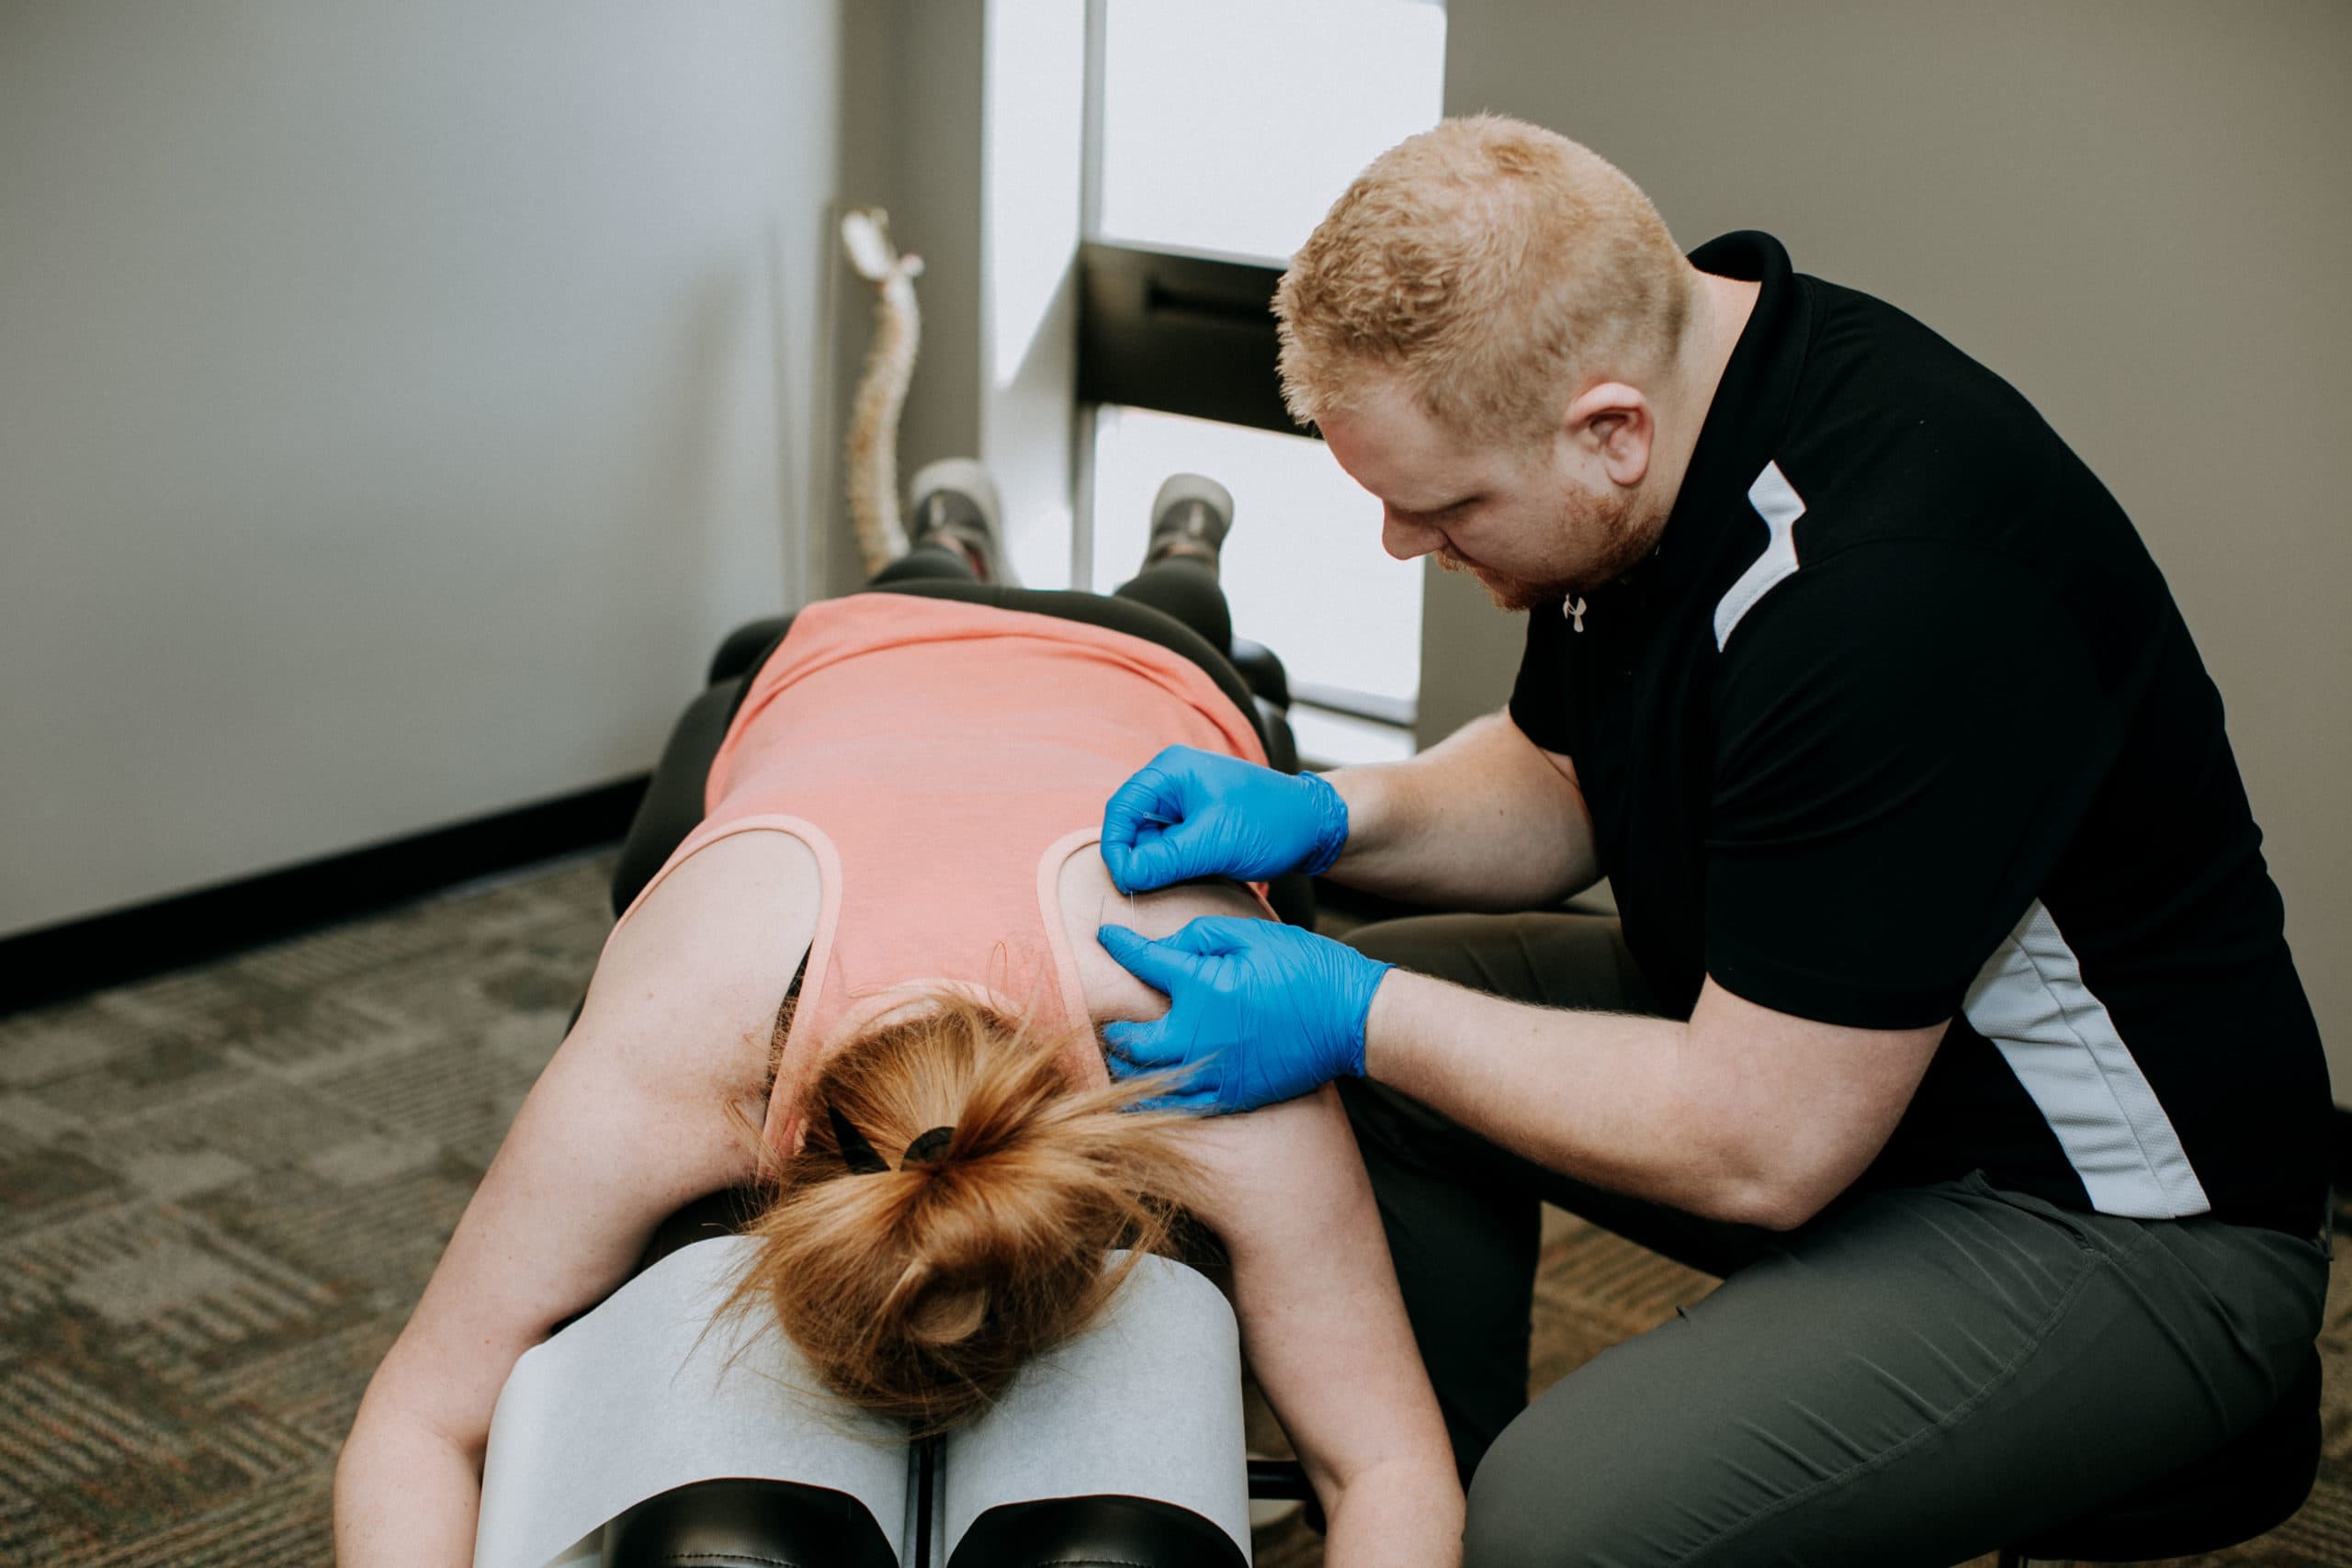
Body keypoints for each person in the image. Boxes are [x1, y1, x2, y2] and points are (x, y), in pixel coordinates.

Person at [1095, 114, 2332, 1565]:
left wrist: (1357, 1008)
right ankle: (1423, 1506)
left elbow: (1761, 1145)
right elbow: (1567, 781)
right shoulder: (1661, 435)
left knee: (1561, 1521)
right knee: (1385, 1072)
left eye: (1442, 509)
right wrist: (1327, 807)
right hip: (1852, 1072)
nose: (1400, 545)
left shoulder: (1888, 591)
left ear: (1607, 430)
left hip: (2118, 1218)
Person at [332, 468, 1463, 1568]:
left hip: (1141, 674)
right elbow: (419, 1429)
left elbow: (1389, 1472)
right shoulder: (686, 1049)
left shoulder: (1193, 1042)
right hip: (856, 666)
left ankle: (1178, 543)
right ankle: (954, 535)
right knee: (937, 576)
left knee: (1178, 610)